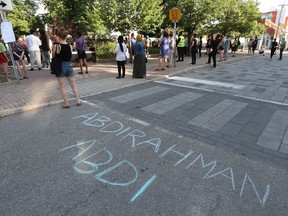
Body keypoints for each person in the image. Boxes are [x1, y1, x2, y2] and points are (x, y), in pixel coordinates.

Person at [52, 27, 81, 109]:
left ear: (58, 37)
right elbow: (70, 56)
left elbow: (54, 56)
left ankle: (66, 103)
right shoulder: (69, 46)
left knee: (62, 86)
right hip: (69, 65)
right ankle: (78, 100)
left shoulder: (56, 46)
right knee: (73, 85)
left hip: (60, 66)